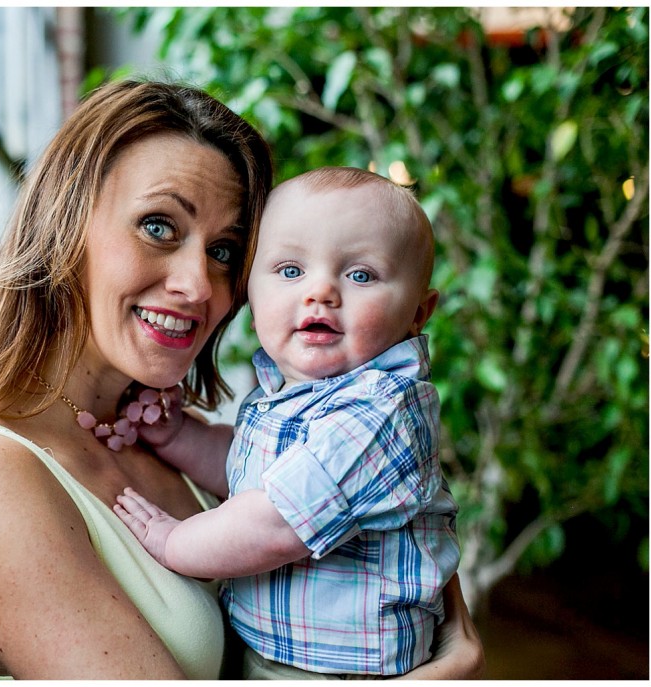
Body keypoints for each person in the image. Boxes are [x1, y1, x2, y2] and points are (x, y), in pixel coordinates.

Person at [0, 82, 484, 680]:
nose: (201, 285)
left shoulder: (159, 428)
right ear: (64, 228)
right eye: (158, 227)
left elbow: (381, 524)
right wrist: (448, 667)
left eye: (224, 251)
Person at [114, 167, 460, 679]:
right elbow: (251, 474)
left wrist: (173, 542)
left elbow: (276, 521)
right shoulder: (294, 391)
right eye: (291, 271)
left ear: (417, 313)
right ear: (250, 296)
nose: (320, 291)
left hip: (340, 669)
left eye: (360, 275)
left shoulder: (379, 412)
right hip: (282, 655)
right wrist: (181, 436)